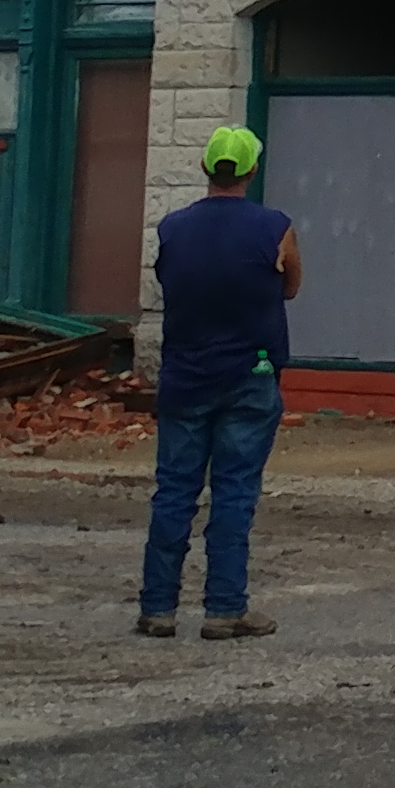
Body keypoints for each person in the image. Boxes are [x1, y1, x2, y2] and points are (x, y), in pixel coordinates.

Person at [139, 123, 300, 643]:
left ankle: (157, 609)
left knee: (174, 491)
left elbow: (168, 281)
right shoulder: (275, 226)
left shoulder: (172, 228)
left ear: (207, 168)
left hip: (184, 377)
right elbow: (292, 285)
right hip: (249, 376)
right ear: (250, 170)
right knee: (233, 493)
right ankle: (225, 609)